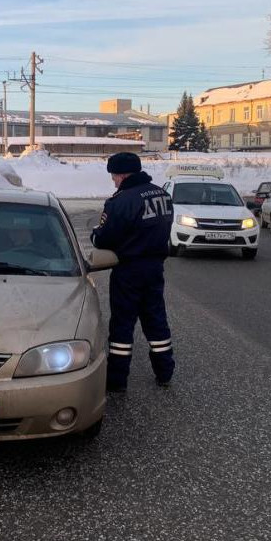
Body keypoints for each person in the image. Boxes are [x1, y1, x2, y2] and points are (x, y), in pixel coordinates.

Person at [90, 152, 175, 391]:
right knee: (156, 320)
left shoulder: (121, 201)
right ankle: (165, 371)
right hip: (155, 268)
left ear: (122, 174)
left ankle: (117, 380)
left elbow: (104, 238)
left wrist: (95, 234)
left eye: (114, 176)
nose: (113, 181)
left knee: (122, 325)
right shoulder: (162, 194)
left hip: (128, 271)